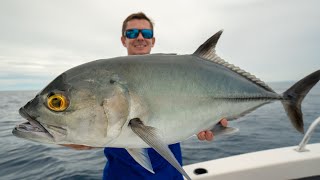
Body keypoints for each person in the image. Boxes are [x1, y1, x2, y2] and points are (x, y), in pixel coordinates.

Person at [63, 12, 228, 179]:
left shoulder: (174, 74)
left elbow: (188, 115)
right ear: (123, 39)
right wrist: (73, 134)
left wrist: (208, 123)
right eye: (132, 33)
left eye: (146, 33)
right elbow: (97, 134)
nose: (140, 37)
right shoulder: (104, 79)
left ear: (153, 40)